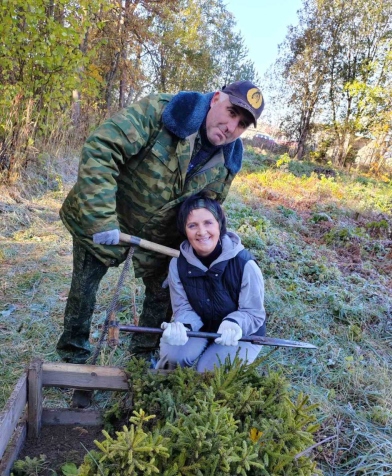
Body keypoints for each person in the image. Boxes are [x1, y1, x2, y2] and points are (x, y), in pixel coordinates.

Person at [57, 81, 265, 381]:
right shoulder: (161, 113)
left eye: (242, 124)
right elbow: (103, 148)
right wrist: (102, 219)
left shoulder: (228, 161)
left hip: (161, 238)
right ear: (216, 98)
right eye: (231, 112)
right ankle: (71, 362)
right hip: (107, 216)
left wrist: (200, 256)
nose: (231, 126)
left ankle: (142, 361)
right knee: (84, 290)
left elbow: (207, 209)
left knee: (162, 297)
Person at [156, 193, 266, 371]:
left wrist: (234, 323)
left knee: (208, 371)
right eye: (192, 225)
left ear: (219, 225)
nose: (201, 232)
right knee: (171, 359)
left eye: (208, 223)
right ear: (184, 230)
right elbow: (182, 307)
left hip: (241, 333)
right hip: (202, 326)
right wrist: (184, 326)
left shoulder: (245, 264)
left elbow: (254, 313)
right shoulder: (177, 264)